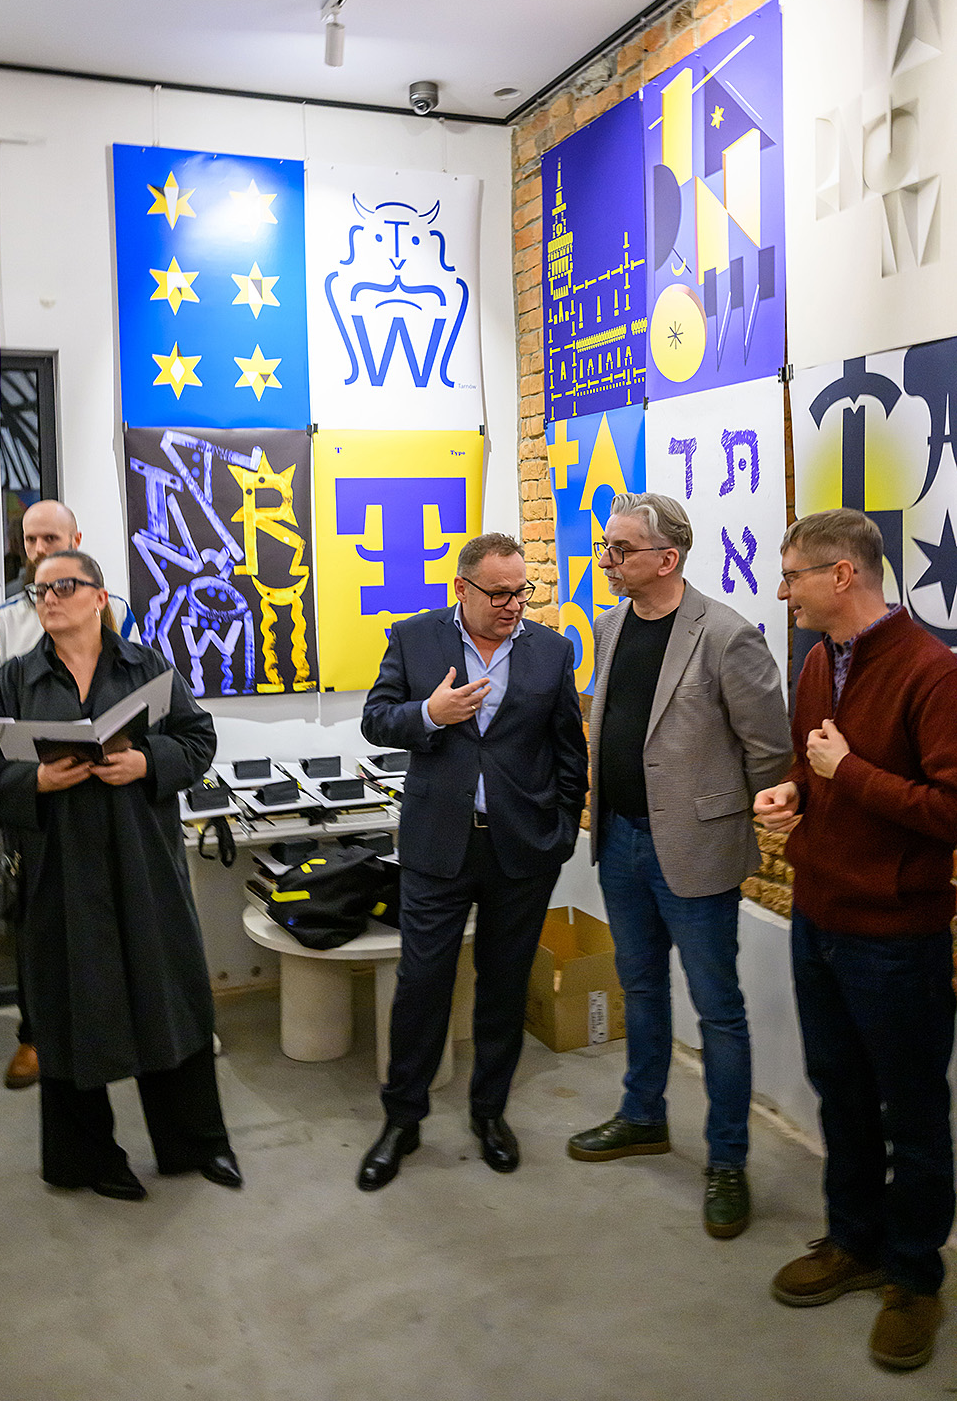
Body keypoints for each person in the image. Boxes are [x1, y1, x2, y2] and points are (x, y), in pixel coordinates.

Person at [0, 549, 240, 1200]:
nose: (50, 598)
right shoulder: (13, 681)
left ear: (99, 597)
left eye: (64, 586)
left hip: (145, 867)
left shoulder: (147, 668)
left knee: (169, 1000)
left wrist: (148, 761)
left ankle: (197, 1144)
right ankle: (87, 1161)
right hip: (58, 871)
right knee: (67, 1012)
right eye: (40, 591)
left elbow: (199, 740)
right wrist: (35, 780)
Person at [755, 509, 957, 1373]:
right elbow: (816, 764)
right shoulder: (817, 662)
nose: (783, 592)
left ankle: (914, 1277)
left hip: (895, 939)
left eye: (792, 575)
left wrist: (849, 774)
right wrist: (795, 791)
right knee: (838, 1093)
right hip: (819, 918)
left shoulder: (931, 673)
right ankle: (854, 1241)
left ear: (842, 575)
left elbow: (948, 811)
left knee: (911, 1116)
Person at [567, 492, 791, 1240]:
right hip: (620, 841)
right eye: (606, 546)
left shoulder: (726, 635)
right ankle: (642, 1116)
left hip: (693, 852)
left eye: (620, 549)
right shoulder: (609, 627)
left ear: (666, 559)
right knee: (639, 987)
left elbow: (769, 750)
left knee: (717, 1010)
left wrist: (742, 814)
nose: (606, 560)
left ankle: (727, 1160)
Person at [356, 532, 588, 1190]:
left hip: (522, 850)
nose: (513, 605)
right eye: (499, 593)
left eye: (521, 592)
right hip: (438, 845)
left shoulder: (550, 650)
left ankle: (489, 1113)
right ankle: (402, 1120)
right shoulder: (414, 638)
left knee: (504, 985)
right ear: (461, 588)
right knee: (421, 984)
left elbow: (568, 750)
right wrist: (428, 714)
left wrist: (561, 832)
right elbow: (376, 720)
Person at [0, 498, 137, 1091]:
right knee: (35, 924)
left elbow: (137, 687)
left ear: (76, 541)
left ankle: (117, 1027)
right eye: (30, 540)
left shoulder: (115, 610)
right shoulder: (5, 620)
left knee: (116, 914)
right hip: (36, 797)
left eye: (50, 539)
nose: (39, 549)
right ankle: (35, 1035)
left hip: (109, 792)